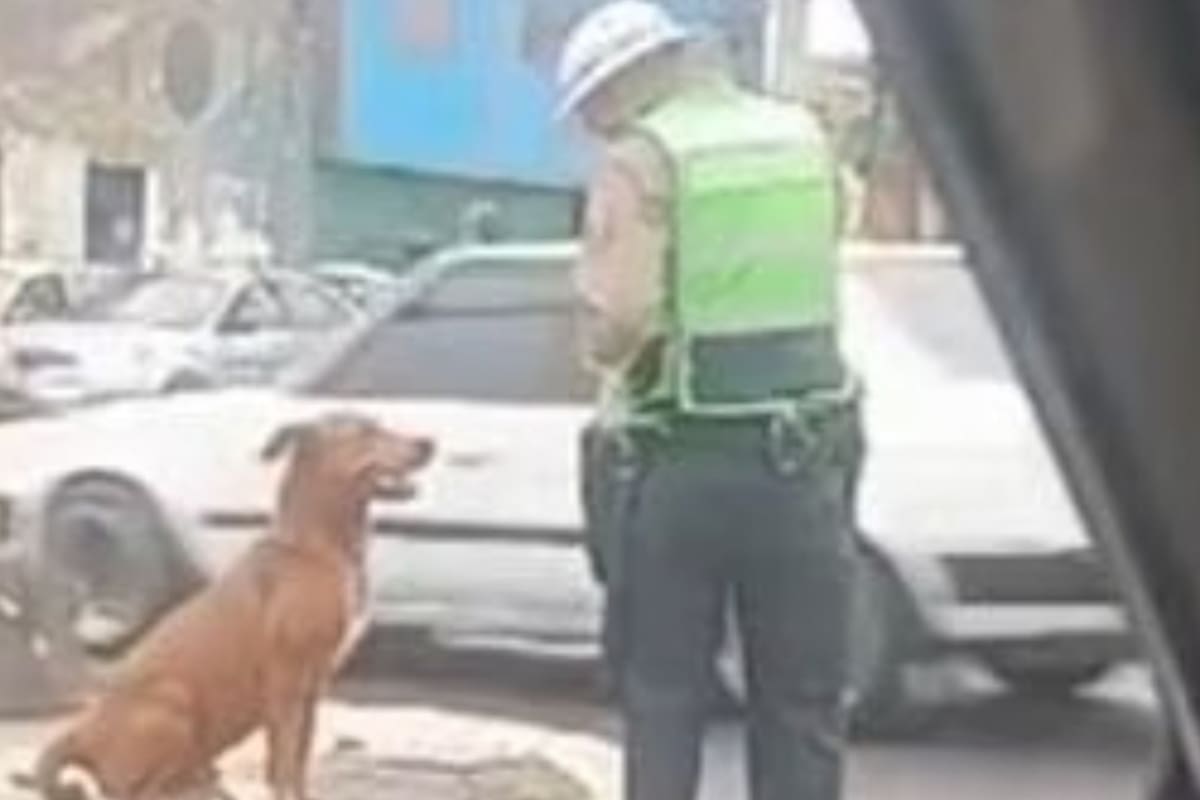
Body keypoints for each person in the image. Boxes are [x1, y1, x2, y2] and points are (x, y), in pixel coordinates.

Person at [559, 3, 862, 799]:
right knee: (801, 705)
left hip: (682, 465)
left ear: (626, 83)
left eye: (592, 107)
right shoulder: (803, 136)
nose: (592, 127)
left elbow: (619, 317)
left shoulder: (643, 160)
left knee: (665, 700)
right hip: (803, 463)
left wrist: (598, 351)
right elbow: (835, 232)